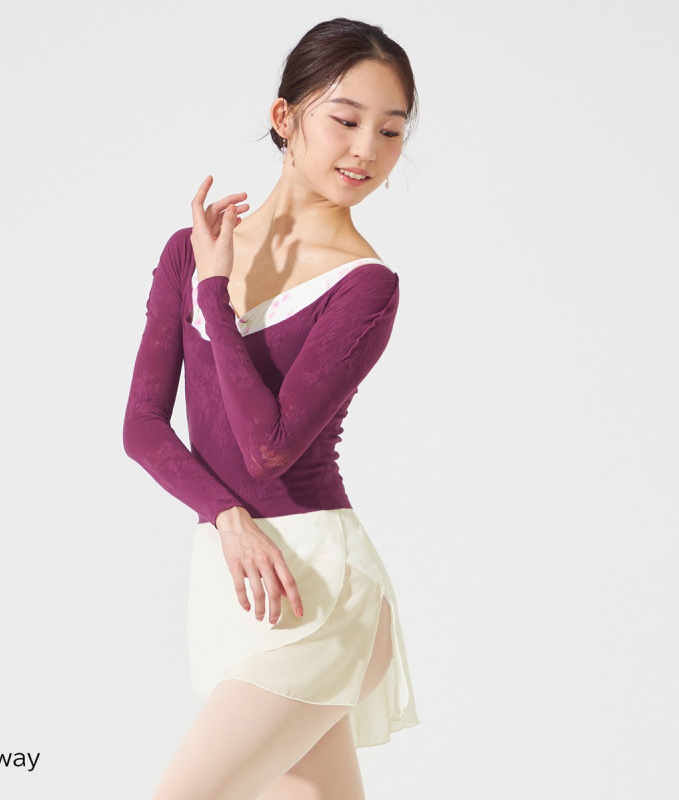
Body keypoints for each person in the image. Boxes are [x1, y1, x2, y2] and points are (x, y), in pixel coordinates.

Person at [123, 17, 420, 800]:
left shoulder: (365, 286)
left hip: (318, 588)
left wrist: (215, 297)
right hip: (236, 577)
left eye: (391, 131)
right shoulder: (187, 249)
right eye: (345, 120)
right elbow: (142, 427)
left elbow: (270, 448)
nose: (367, 149)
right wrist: (224, 516)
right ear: (285, 117)